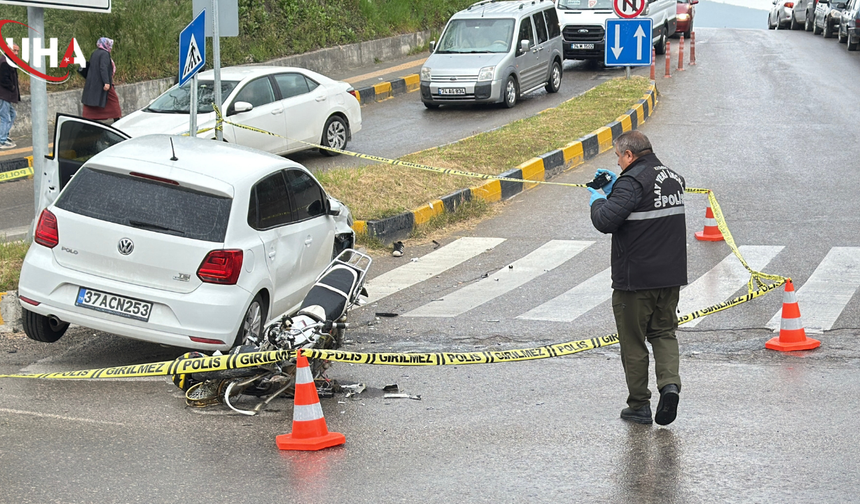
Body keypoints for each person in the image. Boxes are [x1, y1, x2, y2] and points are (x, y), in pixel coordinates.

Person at [587, 130, 687, 426]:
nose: (617, 163)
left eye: (618, 156)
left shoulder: (631, 182)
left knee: (633, 342)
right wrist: (618, 188)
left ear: (629, 154)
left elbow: (605, 221)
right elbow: (645, 202)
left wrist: (597, 199)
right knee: (664, 333)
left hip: (636, 280)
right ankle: (670, 386)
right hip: (669, 276)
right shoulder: (672, 177)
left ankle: (639, 405)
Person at [81, 37, 121, 124]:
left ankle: (89, 121)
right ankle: (117, 120)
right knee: (113, 101)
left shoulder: (95, 53)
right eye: (109, 45)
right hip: (102, 83)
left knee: (92, 102)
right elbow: (103, 68)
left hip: (93, 83)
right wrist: (106, 82)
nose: (110, 47)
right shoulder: (104, 54)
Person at [0, 44, 20, 149]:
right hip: (3, 95)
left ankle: (4, 136)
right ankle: (2, 140)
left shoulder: (8, 61)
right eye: (14, 51)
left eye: (17, 51)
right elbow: (3, 79)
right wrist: (12, 87)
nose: (16, 53)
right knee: (5, 117)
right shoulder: (4, 62)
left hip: (6, 95)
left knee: (12, 114)